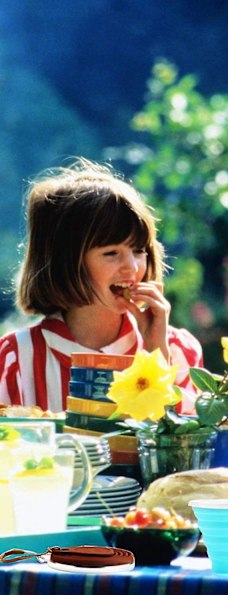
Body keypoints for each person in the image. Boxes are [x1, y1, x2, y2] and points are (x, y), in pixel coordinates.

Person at [0, 158, 203, 413]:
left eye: (139, 250)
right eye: (111, 253)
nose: (132, 267)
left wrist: (156, 355)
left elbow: (186, 449)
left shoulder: (177, 349)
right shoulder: (15, 357)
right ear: (66, 261)